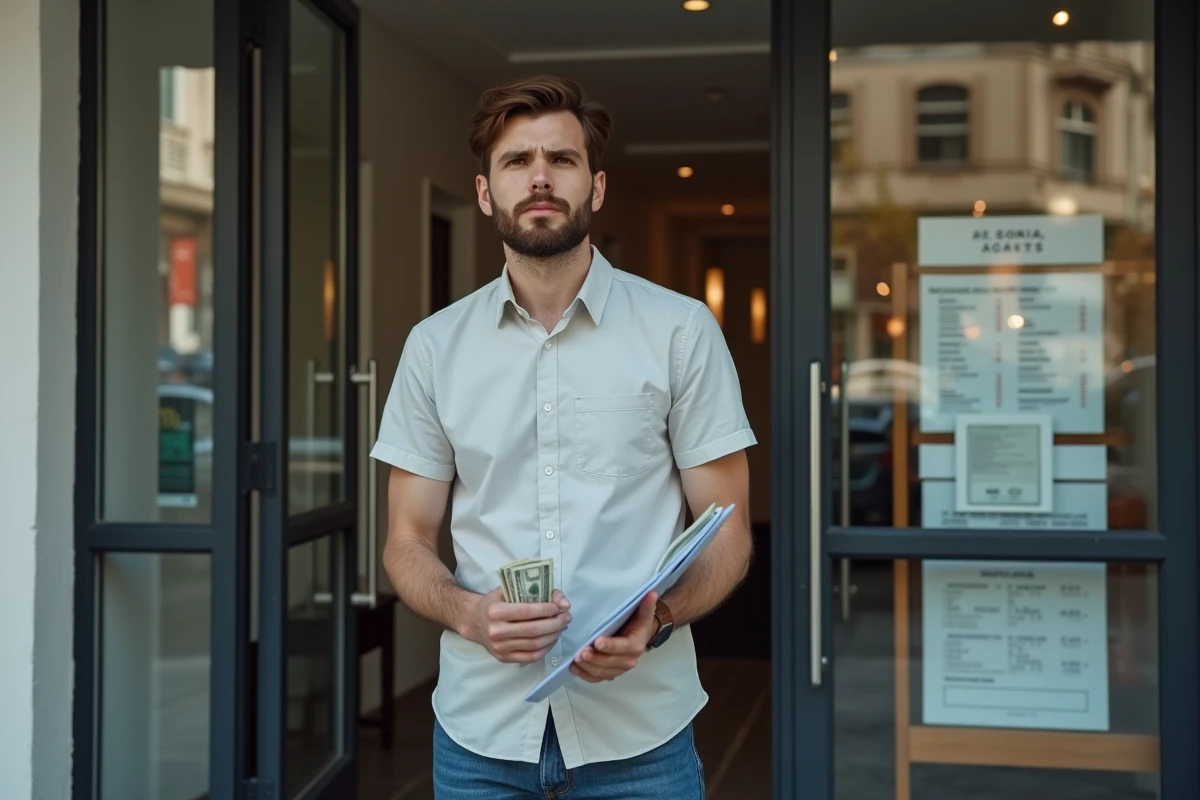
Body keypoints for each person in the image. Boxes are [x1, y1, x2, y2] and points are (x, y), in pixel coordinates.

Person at [371, 74, 756, 799]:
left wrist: (661, 619)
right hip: (480, 736)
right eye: (516, 162)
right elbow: (406, 539)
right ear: (486, 193)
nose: (540, 178)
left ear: (597, 186)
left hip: (641, 739)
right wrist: (470, 614)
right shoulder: (435, 347)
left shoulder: (680, 331)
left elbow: (726, 534)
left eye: (562, 160)